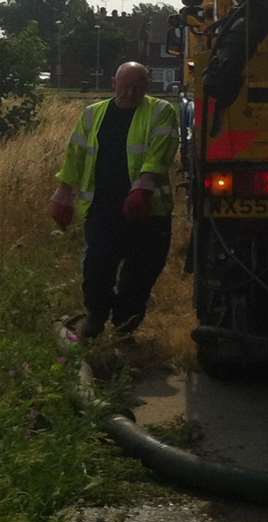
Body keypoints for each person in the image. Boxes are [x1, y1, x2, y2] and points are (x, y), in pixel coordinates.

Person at [49, 62, 180, 342]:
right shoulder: (93, 114)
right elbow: (75, 156)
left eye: (138, 87)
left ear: (147, 87)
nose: (131, 92)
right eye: (126, 86)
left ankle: (124, 330)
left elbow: (160, 154)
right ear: (114, 83)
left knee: (139, 277)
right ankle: (95, 318)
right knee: (97, 269)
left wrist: (142, 189)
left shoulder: (161, 112)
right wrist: (63, 194)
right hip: (103, 208)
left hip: (148, 213)